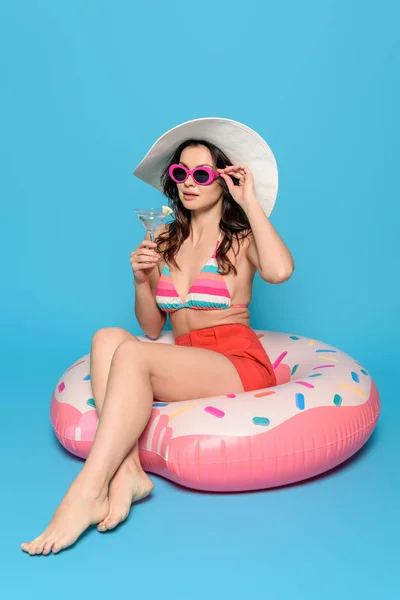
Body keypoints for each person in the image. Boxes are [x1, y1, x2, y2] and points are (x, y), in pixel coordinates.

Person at [21, 118, 294, 555]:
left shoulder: (241, 238)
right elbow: (152, 328)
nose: (188, 183)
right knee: (109, 337)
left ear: (223, 181)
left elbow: (280, 272)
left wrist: (251, 202)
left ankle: (86, 492)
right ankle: (128, 471)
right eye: (180, 173)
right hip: (188, 359)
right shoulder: (166, 237)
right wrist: (141, 280)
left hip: (236, 363)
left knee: (132, 356)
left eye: (202, 174)